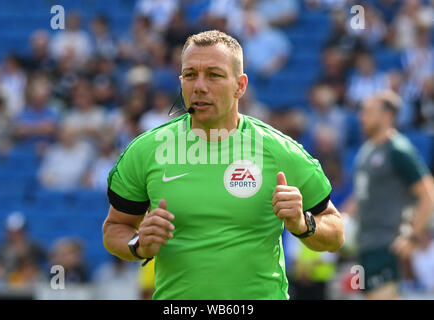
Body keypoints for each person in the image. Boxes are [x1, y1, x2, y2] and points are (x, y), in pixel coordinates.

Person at [102, 30, 344, 300]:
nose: (200, 86)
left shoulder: (280, 151)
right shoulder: (146, 151)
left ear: (240, 85)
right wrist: (138, 245)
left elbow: (335, 232)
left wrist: (302, 224)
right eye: (190, 75)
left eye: (214, 75)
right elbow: (115, 228)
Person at [344, 90, 434, 299]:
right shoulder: (367, 150)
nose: (361, 116)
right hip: (364, 244)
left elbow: (428, 193)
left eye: (368, 111)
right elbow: (362, 195)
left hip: (386, 244)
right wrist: (338, 219)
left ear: (387, 116)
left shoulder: (398, 149)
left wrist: (411, 236)